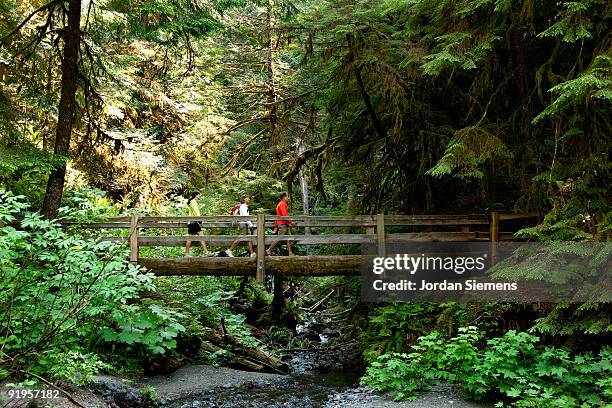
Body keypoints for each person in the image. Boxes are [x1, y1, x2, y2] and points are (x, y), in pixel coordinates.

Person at [266, 192, 295, 256]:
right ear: (284, 197)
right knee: (279, 237)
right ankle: (269, 249)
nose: (288, 198)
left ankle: (290, 253)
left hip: (285, 224)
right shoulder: (282, 204)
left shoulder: (284, 204)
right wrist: (291, 222)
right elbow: (284, 215)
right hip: (282, 224)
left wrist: (289, 222)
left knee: (289, 238)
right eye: (287, 197)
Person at [185, 192, 211, 257]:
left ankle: (187, 253)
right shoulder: (193, 202)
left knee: (192, 238)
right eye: (199, 195)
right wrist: (199, 220)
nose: (200, 196)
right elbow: (196, 211)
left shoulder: (192, 202)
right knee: (200, 237)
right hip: (194, 222)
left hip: (192, 222)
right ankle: (206, 252)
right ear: (196, 195)